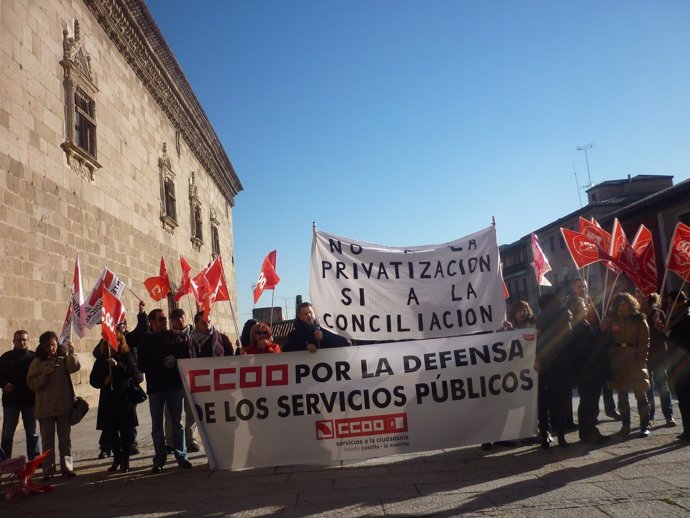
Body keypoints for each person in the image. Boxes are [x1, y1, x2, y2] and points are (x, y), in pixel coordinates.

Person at [137, 308, 192, 473]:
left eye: (165, 319)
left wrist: (176, 360)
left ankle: (181, 456)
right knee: (157, 427)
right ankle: (159, 459)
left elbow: (185, 355)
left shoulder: (175, 337)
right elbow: (141, 365)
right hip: (155, 389)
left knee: (178, 424)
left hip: (174, 387)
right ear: (152, 322)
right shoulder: (145, 341)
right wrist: (160, 363)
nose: (165, 321)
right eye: (161, 319)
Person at [26, 331, 80, 479]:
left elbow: (74, 368)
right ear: (42, 347)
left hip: (63, 406)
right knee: (47, 441)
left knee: (65, 440)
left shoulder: (62, 359)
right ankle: (48, 470)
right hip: (45, 408)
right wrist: (45, 375)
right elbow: (31, 383)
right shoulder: (37, 362)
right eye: (48, 345)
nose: (51, 348)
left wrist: (72, 351)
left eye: (53, 345)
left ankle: (67, 467)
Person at [568, 278, 620, 421]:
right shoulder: (572, 305)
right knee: (588, 391)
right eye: (579, 287)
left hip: (599, 347)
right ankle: (592, 417)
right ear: (574, 288)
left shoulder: (593, 303)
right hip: (585, 352)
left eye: (584, 286)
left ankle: (610, 409)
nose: (582, 289)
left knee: (605, 383)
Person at [89, 333, 142, 473]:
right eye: (108, 343)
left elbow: (136, 374)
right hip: (108, 400)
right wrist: (103, 381)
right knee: (112, 432)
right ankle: (116, 459)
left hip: (124, 399)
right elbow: (93, 380)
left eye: (114, 343)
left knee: (125, 432)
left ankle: (125, 461)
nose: (111, 346)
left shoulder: (126, 356)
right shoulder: (101, 360)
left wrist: (118, 365)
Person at [600, 292, 651, 438]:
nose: (623, 307)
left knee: (640, 394)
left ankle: (644, 424)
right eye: (620, 304)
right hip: (618, 361)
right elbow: (605, 340)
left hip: (635, 359)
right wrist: (603, 327)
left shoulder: (639, 319)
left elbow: (645, 341)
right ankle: (625, 425)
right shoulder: (612, 321)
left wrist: (642, 358)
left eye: (625, 304)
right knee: (622, 396)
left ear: (630, 304)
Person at [535, 292, 572, 448]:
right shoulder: (564, 315)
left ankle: (546, 435)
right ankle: (560, 436)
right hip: (558, 365)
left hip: (547, 365)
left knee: (545, 403)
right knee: (558, 403)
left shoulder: (542, 320)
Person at [568, 297, 607, 444]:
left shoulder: (583, 325)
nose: (586, 308)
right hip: (587, 372)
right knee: (588, 403)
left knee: (591, 403)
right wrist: (600, 330)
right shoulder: (580, 327)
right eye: (583, 306)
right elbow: (589, 347)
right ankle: (587, 433)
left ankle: (591, 431)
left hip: (589, 371)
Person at [637, 291, 675, 427]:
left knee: (663, 387)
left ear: (649, 297)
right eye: (637, 295)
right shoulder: (637, 315)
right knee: (647, 388)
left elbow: (667, 335)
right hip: (644, 356)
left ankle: (669, 416)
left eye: (641, 294)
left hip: (659, 355)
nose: (638, 297)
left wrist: (660, 328)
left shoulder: (659, 314)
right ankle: (650, 417)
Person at [0, 330, 40, 460]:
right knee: (7, 433)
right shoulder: (5, 357)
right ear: (13, 341)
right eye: (18, 340)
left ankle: (34, 457)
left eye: (24, 340)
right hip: (11, 401)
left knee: (32, 432)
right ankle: (5, 459)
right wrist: (4, 384)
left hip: (30, 400)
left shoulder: (34, 357)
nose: (21, 342)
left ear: (28, 340)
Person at [168, 308, 198, 453]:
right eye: (175, 318)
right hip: (172, 380)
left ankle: (191, 440)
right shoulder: (167, 337)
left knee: (191, 410)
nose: (179, 320)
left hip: (190, 378)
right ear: (171, 321)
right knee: (171, 412)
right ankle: (171, 441)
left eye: (181, 317)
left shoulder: (194, 334)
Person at [664, 290, 690, 442]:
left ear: (679, 302)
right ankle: (687, 429)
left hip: (685, 364)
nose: (669, 305)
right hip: (678, 364)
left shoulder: (686, 317)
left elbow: (684, 342)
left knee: (686, 399)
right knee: (682, 399)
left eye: (670, 302)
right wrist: (663, 331)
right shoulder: (676, 317)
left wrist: (668, 334)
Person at [283, 302, 350, 352]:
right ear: (300, 317)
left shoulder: (326, 328)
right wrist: (305, 346)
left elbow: (344, 343)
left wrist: (323, 337)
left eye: (310, 312)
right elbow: (286, 349)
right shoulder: (294, 335)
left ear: (314, 313)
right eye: (305, 314)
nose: (309, 316)